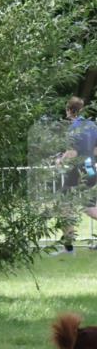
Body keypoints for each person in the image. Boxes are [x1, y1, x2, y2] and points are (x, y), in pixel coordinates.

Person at [52, 96, 97, 256]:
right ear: (81, 109)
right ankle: (68, 247)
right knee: (90, 208)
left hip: (78, 171)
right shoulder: (92, 125)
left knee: (64, 207)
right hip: (90, 169)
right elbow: (95, 150)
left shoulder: (74, 128)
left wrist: (60, 160)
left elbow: (72, 153)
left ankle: (68, 248)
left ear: (68, 110)